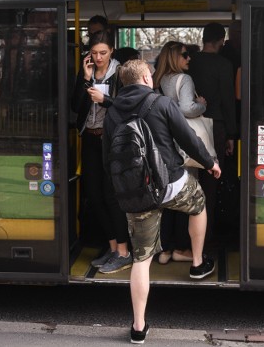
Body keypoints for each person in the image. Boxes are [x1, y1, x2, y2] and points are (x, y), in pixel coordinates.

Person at [102, 59, 221, 344]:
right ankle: (197, 262)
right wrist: (210, 163)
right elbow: (189, 138)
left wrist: (126, 188)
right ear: (144, 77)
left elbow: (108, 160)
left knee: (141, 259)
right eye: (151, 75)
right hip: (171, 185)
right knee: (199, 203)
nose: (153, 78)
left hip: (138, 194)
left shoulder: (111, 112)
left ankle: (138, 327)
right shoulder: (162, 103)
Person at [70, 30, 131, 274]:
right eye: (94, 53)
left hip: (112, 140)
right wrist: (85, 80)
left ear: (112, 51)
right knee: (94, 195)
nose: (98, 58)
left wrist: (105, 100)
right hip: (90, 138)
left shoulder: (122, 73)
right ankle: (114, 247)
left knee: (111, 196)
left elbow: (129, 106)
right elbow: (75, 105)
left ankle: (124, 252)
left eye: (103, 53)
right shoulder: (88, 72)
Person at [152, 41, 207, 264]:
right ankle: (183, 249)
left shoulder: (156, 80)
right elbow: (186, 108)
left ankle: (164, 250)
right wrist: (201, 104)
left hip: (163, 146)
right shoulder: (185, 79)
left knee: (166, 198)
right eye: (185, 55)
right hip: (183, 148)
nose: (189, 59)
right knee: (188, 199)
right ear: (175, 57)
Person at [187, 22, 237, 241]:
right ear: (221, 41)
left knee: (187, 181)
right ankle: (205, 240)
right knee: (211, 183)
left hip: (187, 126)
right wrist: (232, 135)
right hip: (215, 127)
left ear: (203, 37)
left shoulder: (190, 61)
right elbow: (228, 101)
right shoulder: (224, 64)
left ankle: (184, 239)